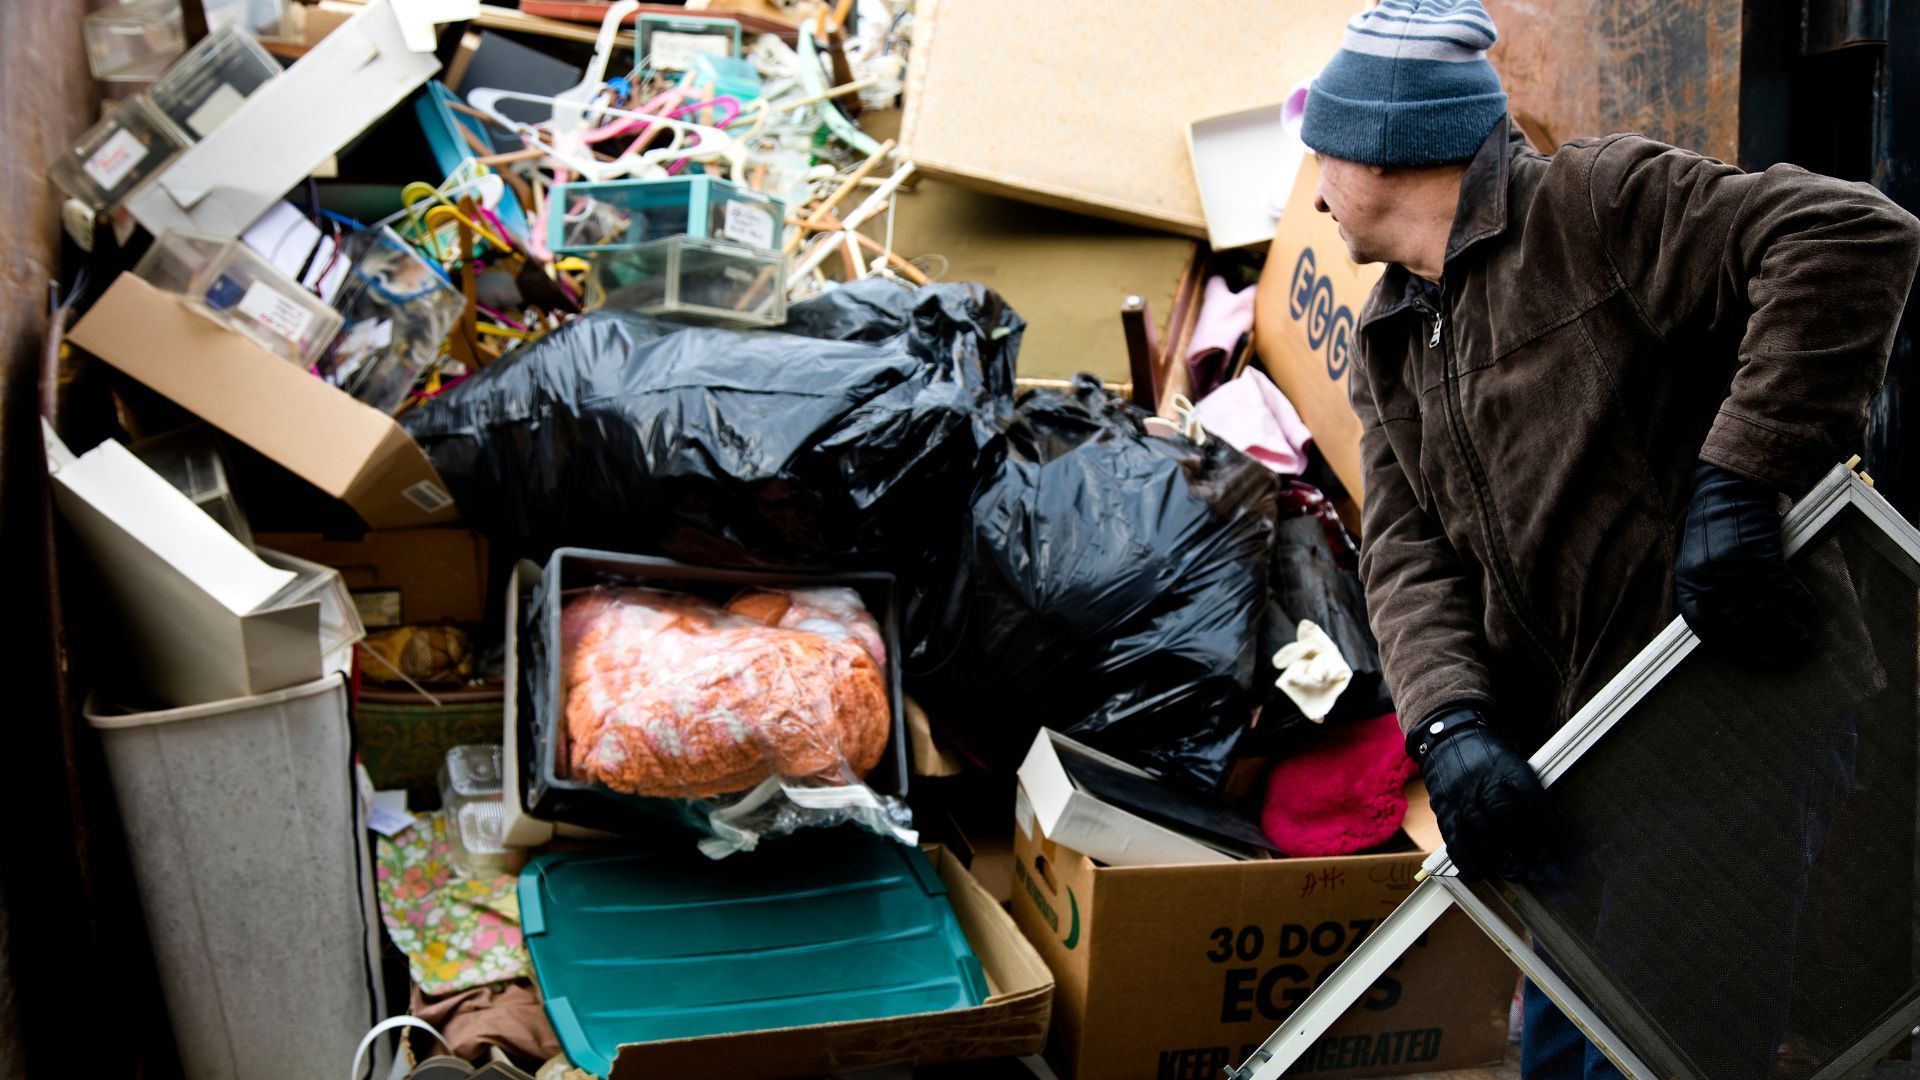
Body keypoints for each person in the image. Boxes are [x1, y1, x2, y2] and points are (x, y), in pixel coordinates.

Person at [1297, 1, 1920, 1077]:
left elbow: (1851, 236)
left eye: (1323, 148)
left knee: (1663, 1054)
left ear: (1385, 147)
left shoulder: (1595, 205)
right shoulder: (1389, 336)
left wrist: (1739, 478)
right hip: (1570, 762)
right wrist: (1450, 729)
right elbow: (1404, 556)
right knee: (1565, 1048)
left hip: (1718, 724)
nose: (1310, 184)